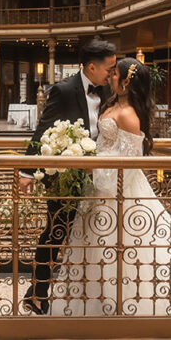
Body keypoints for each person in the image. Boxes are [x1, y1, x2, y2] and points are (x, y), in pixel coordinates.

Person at [49, 57, 171, 316]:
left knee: (120, 248)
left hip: (116, 192)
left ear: (127, 81)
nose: (110, 77)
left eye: (115, 74)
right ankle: (94, 305)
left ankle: (123, 305)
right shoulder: (112, 104)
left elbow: (130, 165)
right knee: (95, 249)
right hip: (97, 189)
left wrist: (91, 167)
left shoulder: (129, 115)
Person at [19, 39, 117, 315]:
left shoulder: (109, 89)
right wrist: (27, 171)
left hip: (99, 177)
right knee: (55, 232)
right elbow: (41, 131)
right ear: (91, 67)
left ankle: (90, 295)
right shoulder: (63, 90)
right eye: (108, 69)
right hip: (65, 178)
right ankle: (38, 293)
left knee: (91, 235)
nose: (111, 74)